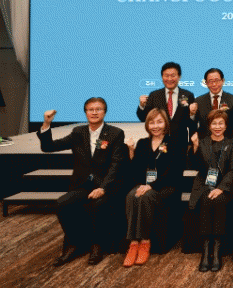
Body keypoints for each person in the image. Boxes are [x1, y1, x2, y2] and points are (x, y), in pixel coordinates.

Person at [37, 97, 126, 266]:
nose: (94, 112)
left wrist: (103, 188)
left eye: (98, 109)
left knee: (98, 205)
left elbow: (116, 165)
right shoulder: (78, 132)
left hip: (105, 185)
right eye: (90, 109)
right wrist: (46, 124)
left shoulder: (115, 133)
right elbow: (48, 147)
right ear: (85, 112)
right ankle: (74, 244)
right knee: (62, 203)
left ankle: (97, 246)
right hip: (82, 185)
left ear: (104, 112)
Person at [122, 108, 185, 267]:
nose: (155, 126)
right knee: (132, 196)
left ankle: (145, 242)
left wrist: (151, 186)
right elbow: (135, 172)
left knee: (146, 196)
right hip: (145, 185)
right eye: (151, 122)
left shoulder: (174, 142)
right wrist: (131, 152)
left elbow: (174, 172)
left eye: (159, 122)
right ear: (147, 125)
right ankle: (133, 243)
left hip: (166, 186)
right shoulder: (143, 143)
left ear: (166, 124)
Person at [189, 110, 233, 272]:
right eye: (214, 123)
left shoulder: (231, 144)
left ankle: (216, 251)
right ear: (209, 126)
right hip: (204, 185)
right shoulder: (202, 142)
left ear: (226, 126)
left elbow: (232, 170)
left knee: (218, 200)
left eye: (221, 123)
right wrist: (195, 146)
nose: (217, 127)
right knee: (206, 199)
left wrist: (221, 188)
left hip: (224, 187)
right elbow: (196, 166)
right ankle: (205, 251)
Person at [137, 61, 196, 141]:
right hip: (158, 142)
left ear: (179, 77)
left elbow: (192, 124)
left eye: (173, 75)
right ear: (162, 77)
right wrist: (142, 106)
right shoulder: (154, 95)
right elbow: (143, 118)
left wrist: (192, 114)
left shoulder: (188, 95)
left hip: (181, 143)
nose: (169, 79)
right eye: (166, 76)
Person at [194, 68, 233, 142]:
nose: (214, 84)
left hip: (227, 143)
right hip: (204, 144)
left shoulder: (232, 99)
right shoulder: (199, 101)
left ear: (223, 81)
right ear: (206, 83)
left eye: (217, 81)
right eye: (210, 81)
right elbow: (194, 123)